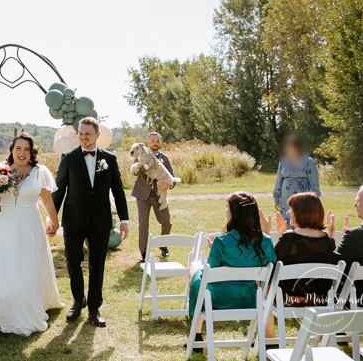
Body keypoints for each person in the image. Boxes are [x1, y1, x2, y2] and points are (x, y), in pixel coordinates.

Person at [0, 132, 64, 336]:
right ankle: (0, 310)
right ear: (12, 150)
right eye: (18, 148)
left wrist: (54, 223)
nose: (22, 153)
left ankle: (27, 306)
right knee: (2, 265)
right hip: (2, 225)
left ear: (32, 152)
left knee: (27, 266)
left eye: (26, 149)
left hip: (29, 225)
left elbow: (47, 201)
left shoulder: (40, 172)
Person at [51, 117, 129, 328]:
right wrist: (52, 218)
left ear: (97, 135)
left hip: (101, 220)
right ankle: (78, 300)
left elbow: (118, 191)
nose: (83, 137)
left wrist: (124, 220)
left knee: (98, 265)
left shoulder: (109, 159)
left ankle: (94, 307)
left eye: (88, 133)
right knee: (72, 261)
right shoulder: (68, 157)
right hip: (74, 219)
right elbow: (59, 190)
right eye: (81, 133)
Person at [187, 192, 276, 348]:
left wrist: (213, 248)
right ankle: (270, 339)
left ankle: (197, 334)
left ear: (234, 213)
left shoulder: (221, 241)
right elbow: (270, 268)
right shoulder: (266, 241)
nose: (225, 211)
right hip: (253, 299)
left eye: (227, 207)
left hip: (218, 299)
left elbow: (211, 271)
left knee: (196, 268)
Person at [261, 192, 336, 339]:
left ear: (301, 212)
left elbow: (271, 270)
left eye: (291, 209)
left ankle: (269, 339)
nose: (288, 212)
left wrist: (267, 234)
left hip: (289, 300)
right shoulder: (328, 242)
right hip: (321, 299)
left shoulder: (289, 240)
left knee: (262, 286)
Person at [131, 131, 176, 262]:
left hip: (159, 196)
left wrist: (168, 186)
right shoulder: (141, 154)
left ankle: (163, 246)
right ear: (148, 142)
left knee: (166, 222)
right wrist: (147, 165)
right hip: (142, 195)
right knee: (143, 225)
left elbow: (172, 177)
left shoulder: (165, 158)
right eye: (152, 141)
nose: (155, 143)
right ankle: (144, 253)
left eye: (157, 141)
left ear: (160, 142)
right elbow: (136, 171)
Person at [273, 133, 321, 228]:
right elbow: (279, 179)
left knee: (302, 220)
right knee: (287, 220)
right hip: (286, 196)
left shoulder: (308, 161)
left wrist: (314, 199)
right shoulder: (283, 161)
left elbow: (314, 182)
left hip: (303, 198)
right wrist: (276, 198)